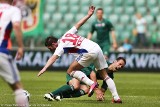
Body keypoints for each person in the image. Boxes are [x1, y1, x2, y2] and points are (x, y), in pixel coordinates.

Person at [37, 6, 120, 102]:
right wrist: (88, 15)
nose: (51, 50)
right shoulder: (67, 34)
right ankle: (116, 97)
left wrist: (44, 68)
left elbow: (53, 58)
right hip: (96, 47)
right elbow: (78, 24)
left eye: (50, 48)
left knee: (70, 71)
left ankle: (91, 83)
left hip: (87, 52)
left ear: (53, 44)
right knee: (105, 75)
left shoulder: (60, 45)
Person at [44, 57, 126, 103]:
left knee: (86, 90)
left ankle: (60, 95)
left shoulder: (110, 76)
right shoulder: (103, 63)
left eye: (122, 67)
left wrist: (100, 95)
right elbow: (92, 73)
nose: (120, 67)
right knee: (75, 86)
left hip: (85, 78)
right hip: (78, 71)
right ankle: (51, 94)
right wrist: (96, 89)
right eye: (120, 64)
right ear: (115, 61)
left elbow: (103, 89)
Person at [0, 0, 29, 107]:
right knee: (17, 87)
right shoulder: (13, 10)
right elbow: (16, 26)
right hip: (1, 51)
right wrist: (21, 47)